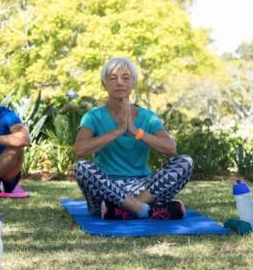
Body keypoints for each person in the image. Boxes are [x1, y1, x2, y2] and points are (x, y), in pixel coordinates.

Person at [73, 57, 193, 220]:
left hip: (143, 189)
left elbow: (170, 147)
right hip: (106, 189)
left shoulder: (147, 117)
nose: (120, 82)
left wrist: (135, 131)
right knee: (82, 168)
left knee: (185, 162)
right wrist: (118, 131)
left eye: (126, 77)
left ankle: (127, 209)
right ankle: (146, 211)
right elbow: (79, 150)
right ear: (104, 84)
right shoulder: (93, 116)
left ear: (133, 83)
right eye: (113, 78)